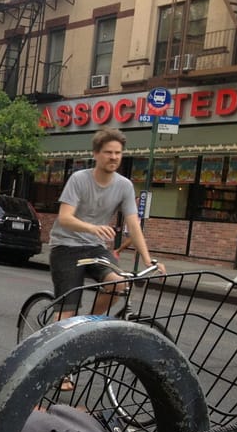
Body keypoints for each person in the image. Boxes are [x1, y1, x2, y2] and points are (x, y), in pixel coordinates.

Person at [49, 127, 165, 319]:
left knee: (119, 284)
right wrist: (92, 228)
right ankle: (56, 342)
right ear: (96, 154)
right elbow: (65, 218)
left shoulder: (124, 185)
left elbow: (133, 224)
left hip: (95, 248)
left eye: (118, 153)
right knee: (67, 311)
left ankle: (87, 323)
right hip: (65, 247)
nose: (114, 157)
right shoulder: (79, 179)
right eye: (108, 152)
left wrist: (147, 259)